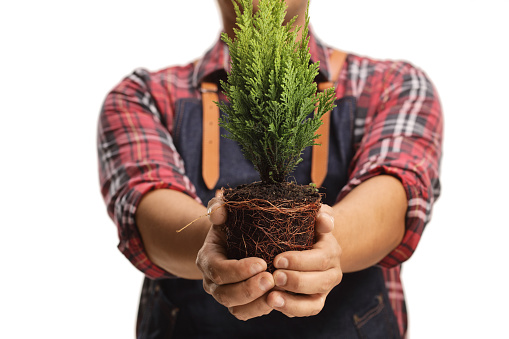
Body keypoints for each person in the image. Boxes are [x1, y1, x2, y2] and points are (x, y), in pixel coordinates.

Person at [97, 0, 442, 337]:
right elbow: (145, 207)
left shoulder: (394, 85)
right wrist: (214, 245)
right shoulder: (143, 97)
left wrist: (326, 244)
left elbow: (397, 199)